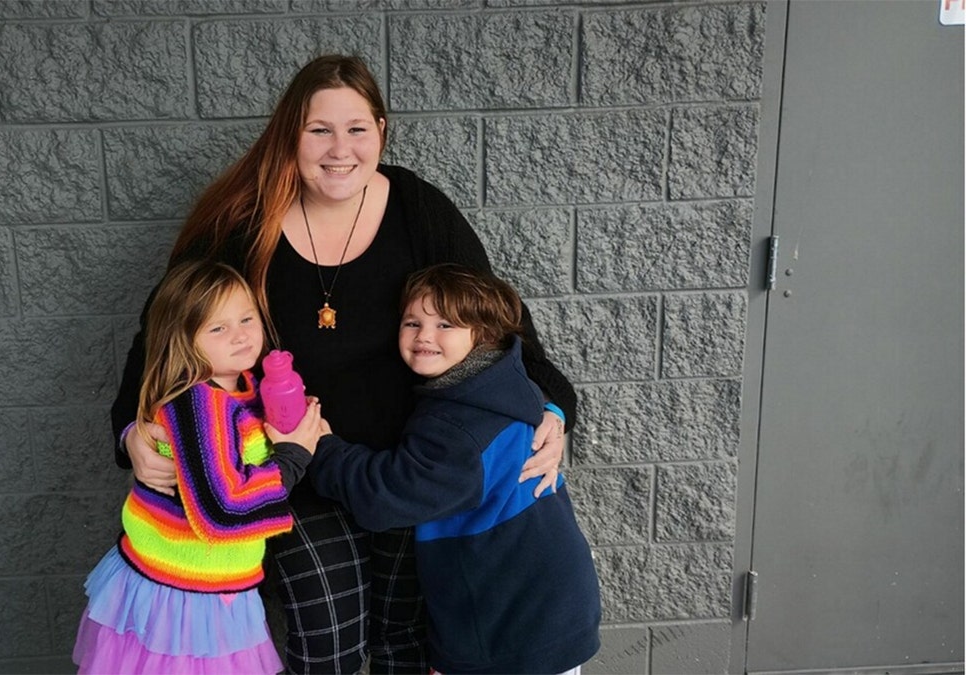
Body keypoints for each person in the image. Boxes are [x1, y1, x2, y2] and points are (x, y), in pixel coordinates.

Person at [110, 54, 579, 674]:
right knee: (329, 638)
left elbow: (494, 318)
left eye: (357, 129)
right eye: (318, 130)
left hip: (402, 463)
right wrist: (129, 431)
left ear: (381, 131)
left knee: (405, 639)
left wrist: (553, 407)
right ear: (290, 136)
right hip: (291, 467)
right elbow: (162, 332)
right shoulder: (242, 224)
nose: (340, 149)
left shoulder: (416, 208)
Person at [307, 263, 602, 675]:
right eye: (412, 322)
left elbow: (385, 495)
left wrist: (319, 448)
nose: (424, 335)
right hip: (546, 604)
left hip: (517, 626)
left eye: (445, 324)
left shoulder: (461, 429)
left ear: (481, 335)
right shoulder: (503, 386)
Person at [74, 261, 326, 674]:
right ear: (184, 340)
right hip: (182, 600)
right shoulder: (199, 404)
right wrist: (294, 455)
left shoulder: (240, 386)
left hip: (211, 588)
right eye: (218, 328)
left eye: (246, 318)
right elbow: (223, 509)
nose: (241, 334)